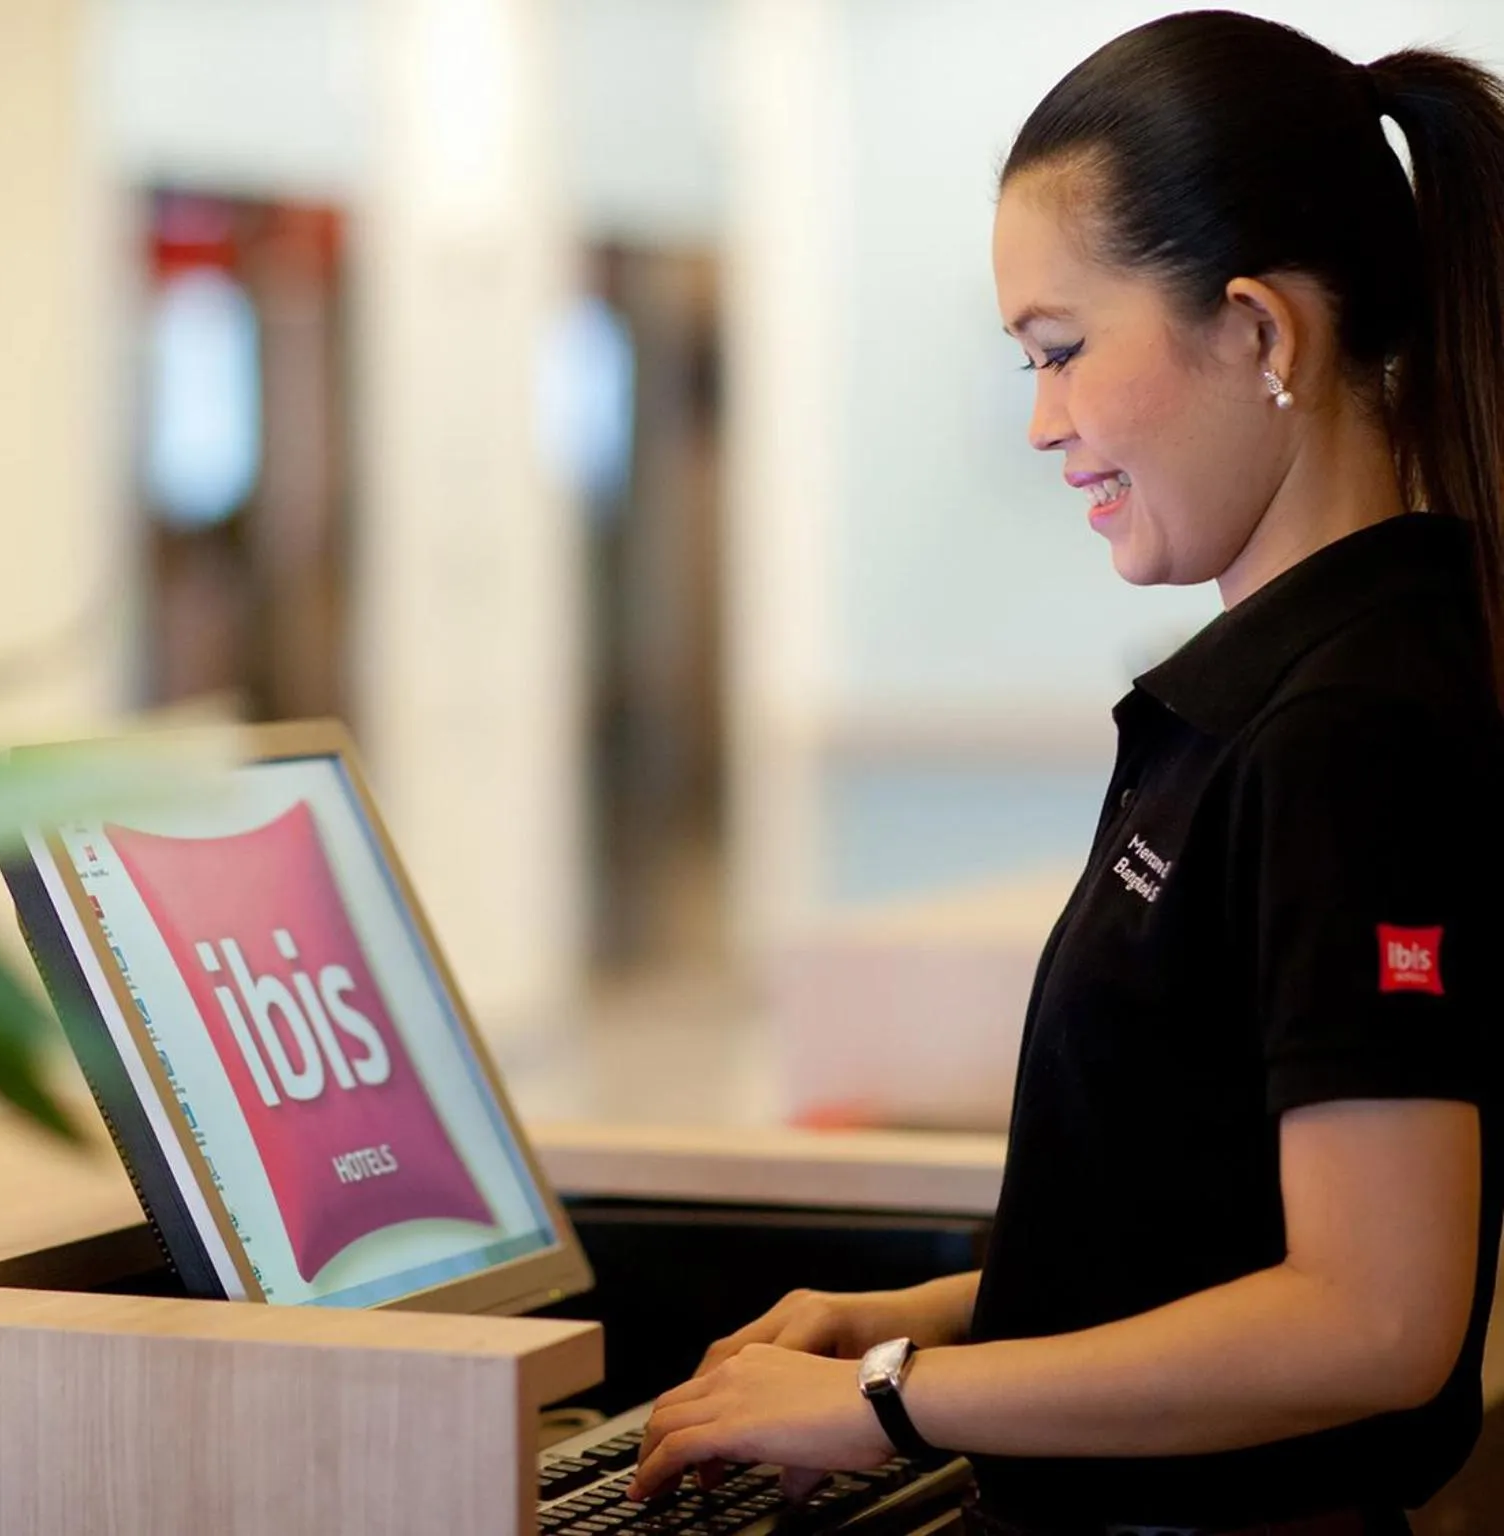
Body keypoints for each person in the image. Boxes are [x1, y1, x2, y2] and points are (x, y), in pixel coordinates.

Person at [630, 11, 1504, 1535]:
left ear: (1260, 331)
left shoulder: (1351, 730)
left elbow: (1373, 1318)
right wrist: (931, 1318)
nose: (1044, 423)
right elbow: (1215, 1240)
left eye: (1061, 352)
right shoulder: (1273, 699)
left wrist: (891, 1402)